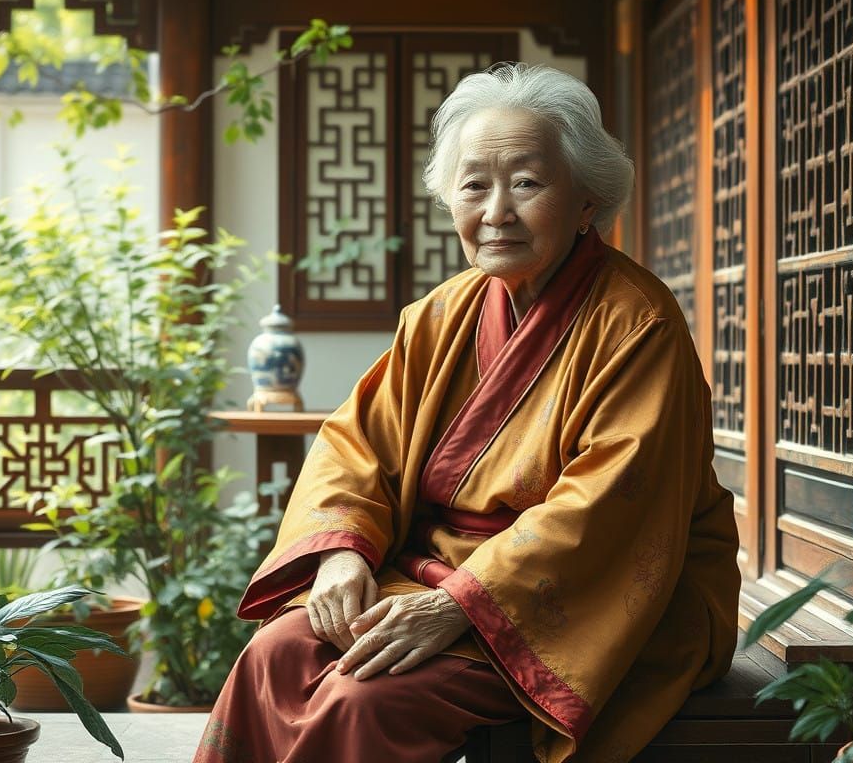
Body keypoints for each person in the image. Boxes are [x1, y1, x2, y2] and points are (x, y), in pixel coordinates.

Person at [194, 63, 740, 763]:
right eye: (475, 184)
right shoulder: (439, 316)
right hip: (436, 571)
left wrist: (464, 606)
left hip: (591, 594)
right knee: (273, 654)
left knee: (364, 699)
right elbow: (360, 448)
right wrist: (340, 554)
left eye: (527, 183)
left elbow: (610, 506)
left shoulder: (637, 324)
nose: (496, 212)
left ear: (585, 202)